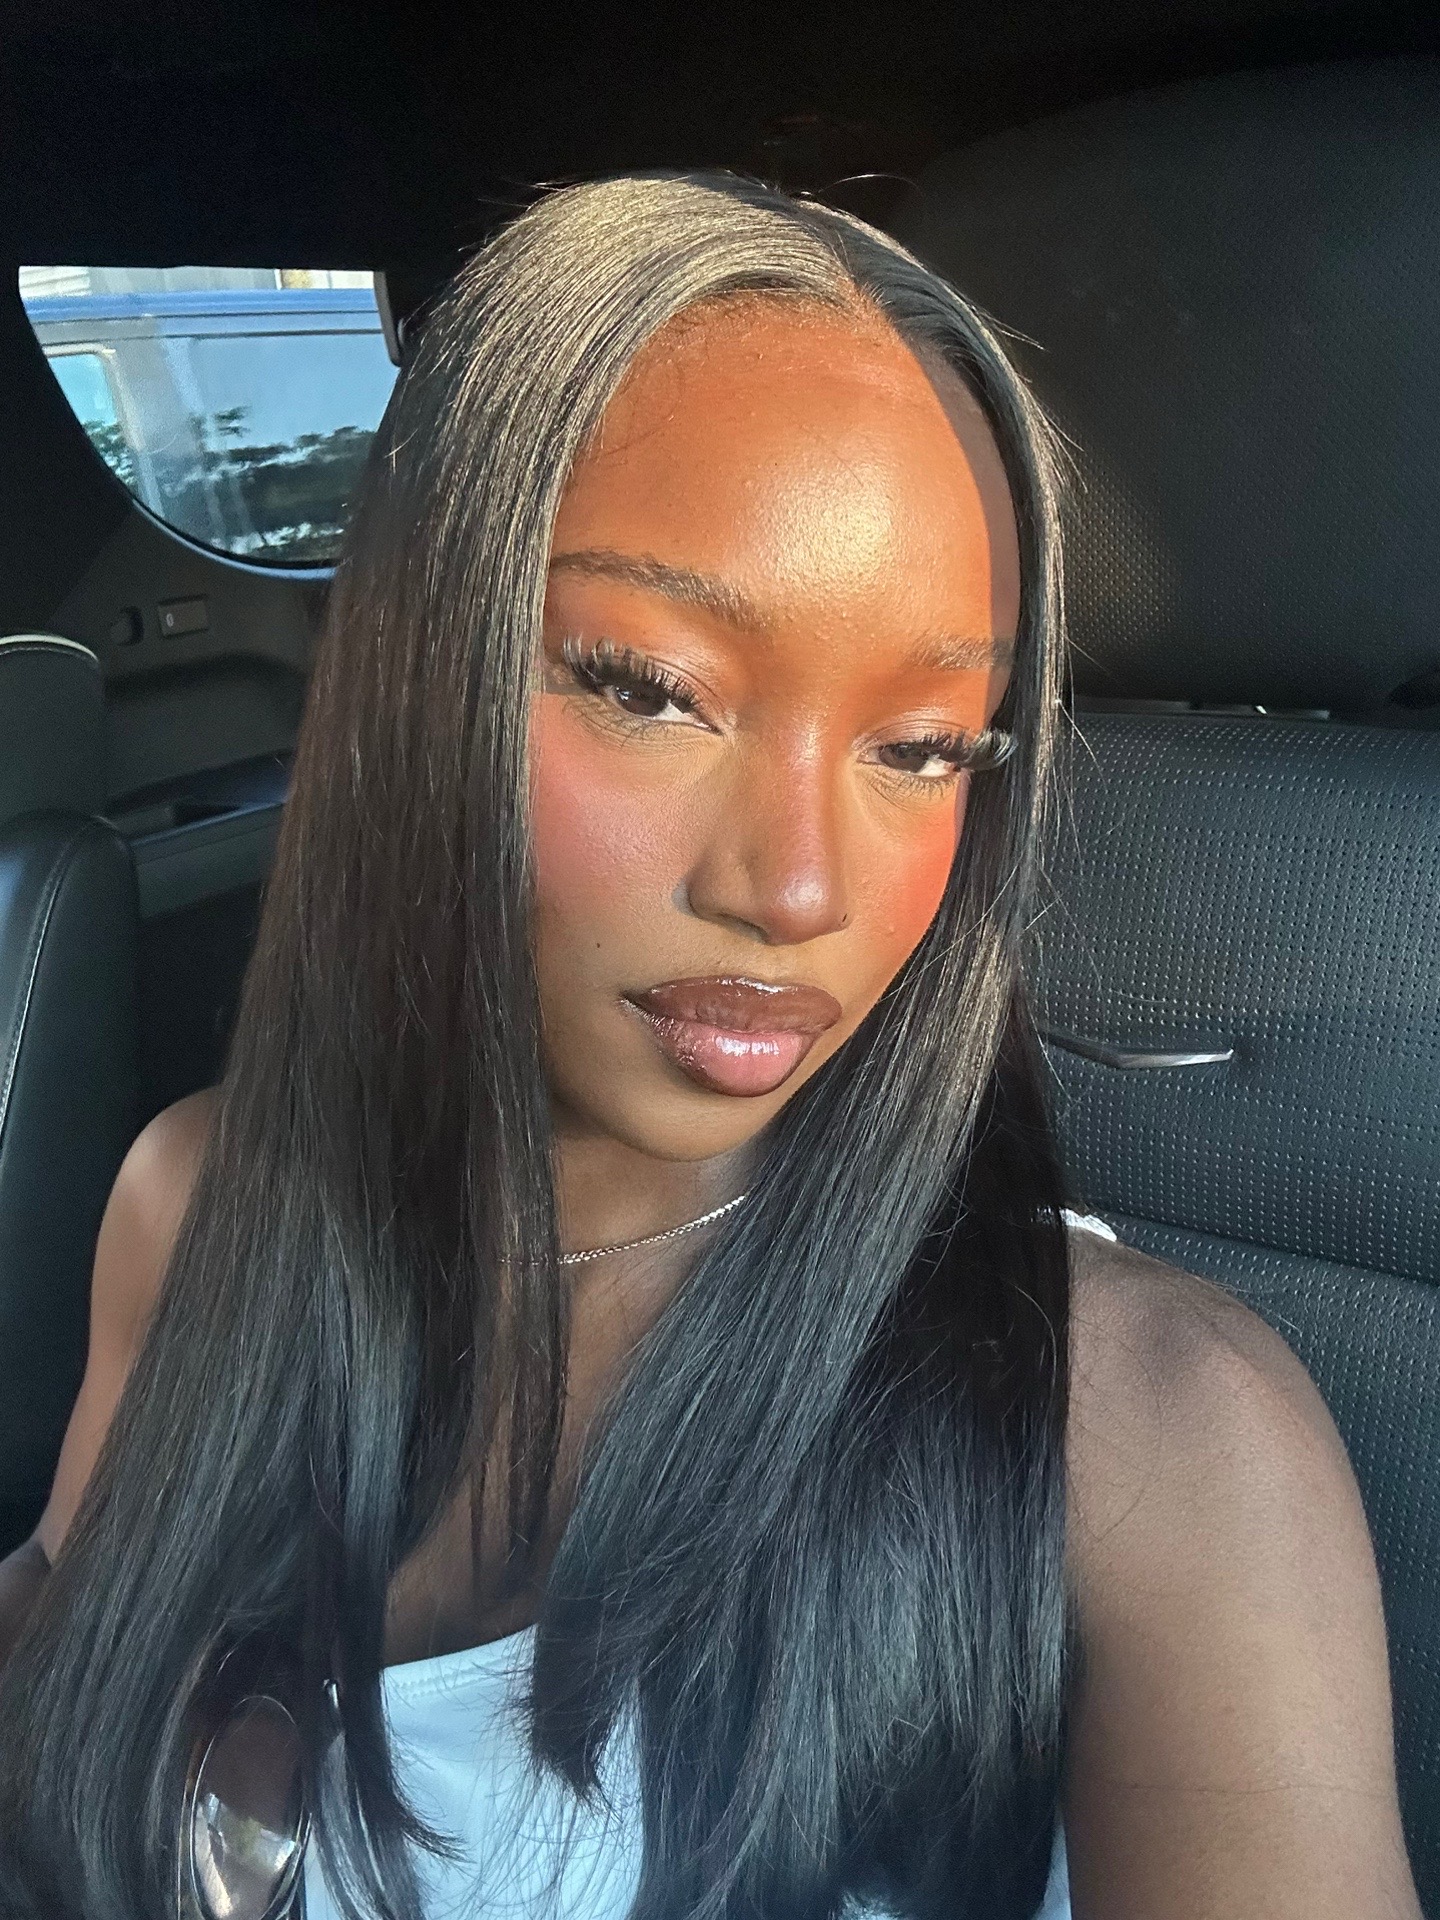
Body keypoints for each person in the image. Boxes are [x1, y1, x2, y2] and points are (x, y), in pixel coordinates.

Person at [0, 172, 1420, 1920]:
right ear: (407, 666)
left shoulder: (1155, 1448)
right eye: (651, 688)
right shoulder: (195, 1202)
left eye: (925, 748)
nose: (796, 889)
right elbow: (59, 1639)